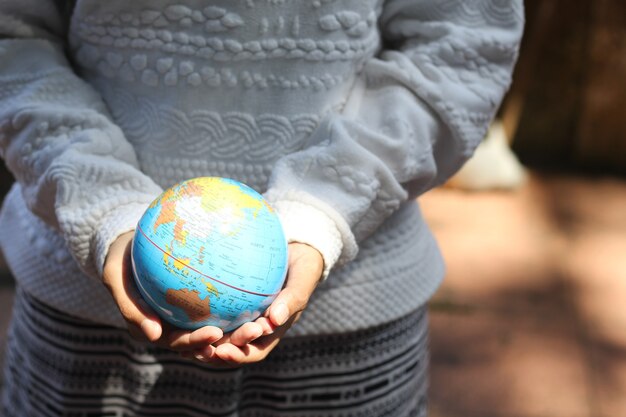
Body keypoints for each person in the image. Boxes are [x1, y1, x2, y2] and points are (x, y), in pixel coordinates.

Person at [0, 0, 524, 415]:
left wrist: (323, 208)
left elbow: (462, 45)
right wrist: (102, 203)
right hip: (83, 312)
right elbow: (14, 37)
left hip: (351, 321)